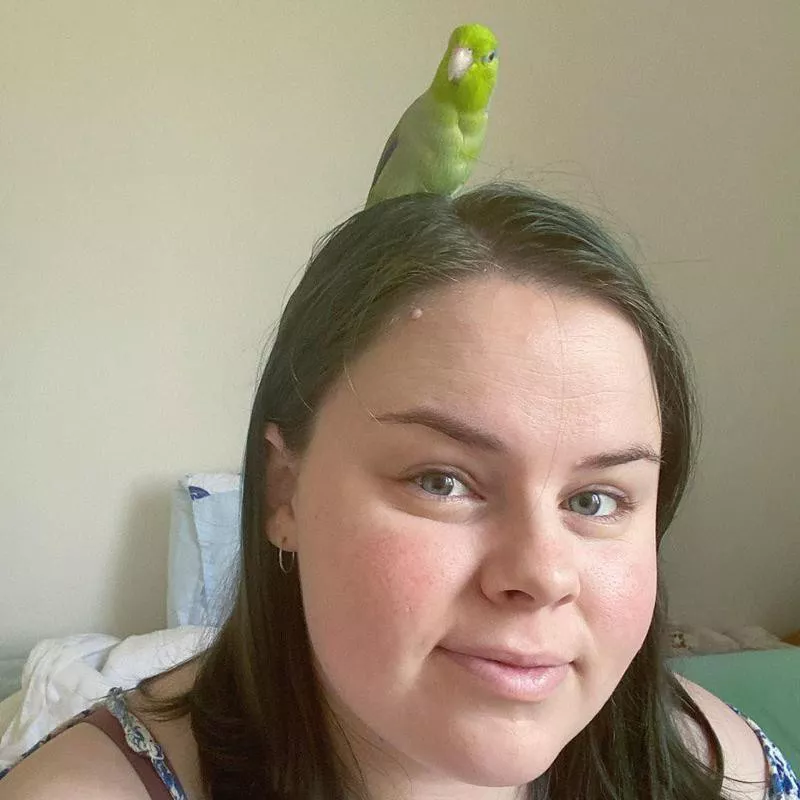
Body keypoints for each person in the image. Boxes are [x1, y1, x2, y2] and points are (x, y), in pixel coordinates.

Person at [1, 184, 797, 800]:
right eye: (442, 481)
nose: (543, 574)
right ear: (285, 490)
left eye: (595, 500)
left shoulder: (725, 772)